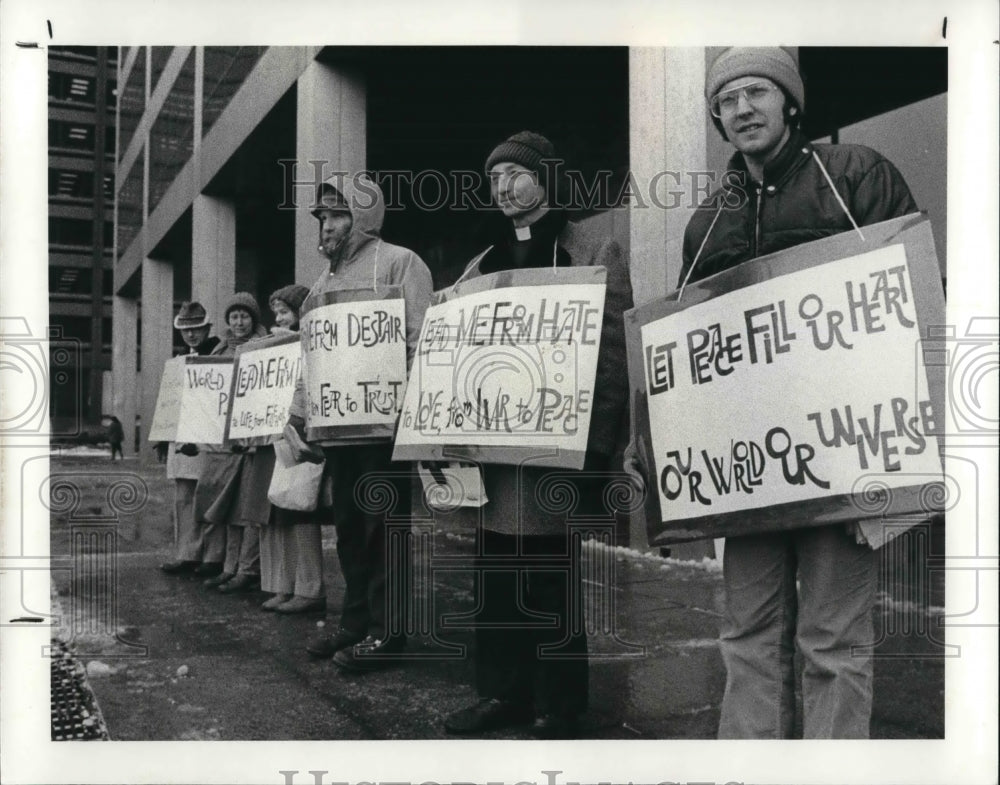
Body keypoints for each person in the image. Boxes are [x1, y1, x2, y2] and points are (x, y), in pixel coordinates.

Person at [673, 47, 917, 739]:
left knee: (834, 639)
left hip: (843, 455)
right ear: (717, 117)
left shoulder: (857, 175)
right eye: (728, 99)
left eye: (757, 91)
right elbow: (687, 353)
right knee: (746, 633)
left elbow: (902, 303)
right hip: (750, 471)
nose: (743, 108)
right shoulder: (706, 223)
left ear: (789, 101)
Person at [442, 131, 633, 739]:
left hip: (555, 447)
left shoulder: (590, 249)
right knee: (494, 572)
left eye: (514, 176)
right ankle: (503, 694)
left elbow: (611, 352)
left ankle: (559, 704)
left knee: (549, 573)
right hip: (494, 456)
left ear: (546, 177)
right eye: (494, 178)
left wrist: (598, 443)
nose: (502, 188)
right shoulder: (480, 266)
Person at [288, 173, 433, 670]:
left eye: (335, 214)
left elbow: (421, 340)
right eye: (322, 216)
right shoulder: (324, 282)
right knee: (349, 528)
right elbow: (311, 355)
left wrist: (412, 415)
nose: (324, 225)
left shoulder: (400, 262)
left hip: (384, 428)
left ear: (361, 215)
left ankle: (386, 632)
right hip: (340, 430)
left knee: (383, 528)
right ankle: (354, 622)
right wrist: (300, 412)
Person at [258, 284, 328, 614]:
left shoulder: (312, 343)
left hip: (305, 433)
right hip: (285, 431)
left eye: (285, 312)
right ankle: (293, 587)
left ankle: (311, 589)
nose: (280, 319)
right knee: (288, 507)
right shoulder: (280, 347)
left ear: (300, 313)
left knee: (304, 507)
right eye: (277, 313)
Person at [196, 292, 269, 593]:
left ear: (254, 319)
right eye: (234, 317)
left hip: (250, 439)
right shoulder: (218, 350)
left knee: (248, 509)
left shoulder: (265, 347)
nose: (239, 322)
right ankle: (229, 566)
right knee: (225, 508)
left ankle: (247, 568)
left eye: (245, 316)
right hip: (223, 444)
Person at [159, 301, 227, 577]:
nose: (191, 335)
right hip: (181, 435)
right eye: (186, 330)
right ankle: (186, 552)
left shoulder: (220, 356)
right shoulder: (178, 361)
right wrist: (163, 437)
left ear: (207, 328)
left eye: (196, 329)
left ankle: (212, 556)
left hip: (208, 434)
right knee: (184, 497)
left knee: (208, 494)